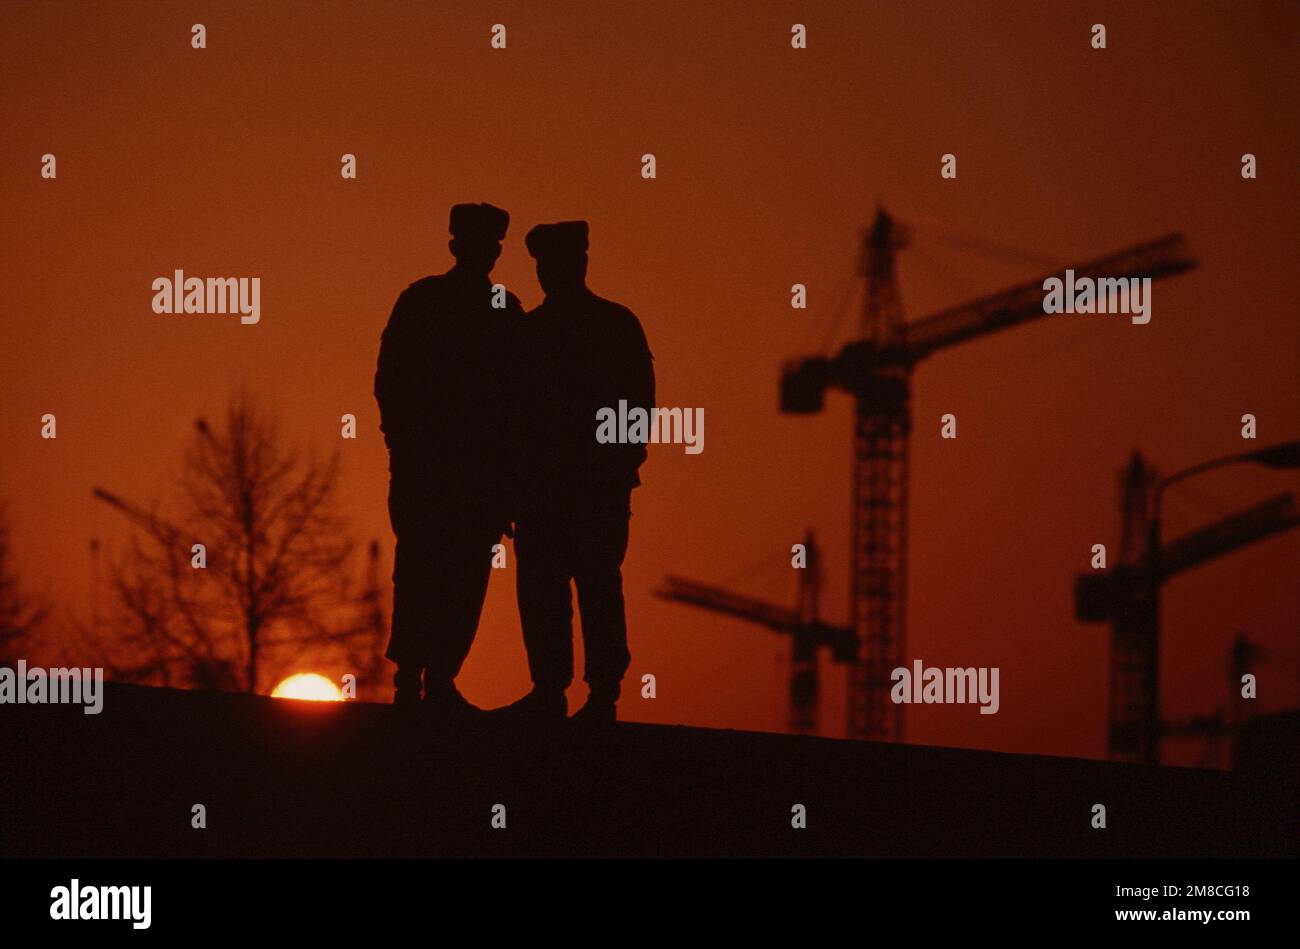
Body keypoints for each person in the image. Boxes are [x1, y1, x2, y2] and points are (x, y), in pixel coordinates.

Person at [374, 202, 523, 718]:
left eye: (492, 246)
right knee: (424, 570)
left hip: (472, 475)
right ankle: (414, 679)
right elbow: (391, 378)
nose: (485, 254)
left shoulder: (500, 308)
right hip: (432, 469)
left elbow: (522, 400)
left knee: (458, 577)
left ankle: (436, 679)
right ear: (458, 247)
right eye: (477, 244)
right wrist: (404, 444)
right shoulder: (425, 301)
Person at [505, 221, 654, 725]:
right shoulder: (535, 331)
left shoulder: (612, 326)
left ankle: (600, 695)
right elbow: (510, 415)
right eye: (545, 266)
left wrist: (616, 469)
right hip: (547, 491)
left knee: (595, 586)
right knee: (547, 590)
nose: (551, 274)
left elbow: (637, 408)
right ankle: (551, 691)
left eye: (559, 264)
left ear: (580, 264)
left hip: (591, 490)